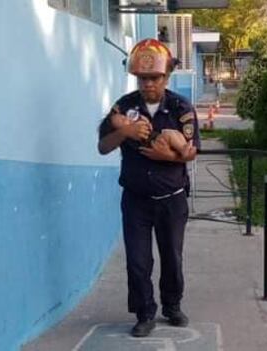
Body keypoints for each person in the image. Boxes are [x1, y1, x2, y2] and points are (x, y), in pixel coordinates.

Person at [97, 38, 199, 338]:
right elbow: (103, 146)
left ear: (166, 77)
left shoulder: (181, 107)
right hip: (136, 200)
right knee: (138, 260)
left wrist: (168, 155)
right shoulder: (124, 107)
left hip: (172, 198)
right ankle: (144, 313)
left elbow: (192, 151)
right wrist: (125, 131)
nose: (148, 84)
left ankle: (172, 306)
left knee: (172, 257)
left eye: (154, 78)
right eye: (142, 78)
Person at [109, 113, 193, 159]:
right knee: (169, 134)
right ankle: (183, 150)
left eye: (124, 116)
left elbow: (147, 126)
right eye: (123, 120)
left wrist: (146, 122)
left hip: (156, 137)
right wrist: (143, 122)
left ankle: (183, 147)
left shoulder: (134, 126)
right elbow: (142, 130)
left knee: (174, 133)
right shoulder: (130, 136)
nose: (127, 118)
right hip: (154, 143)